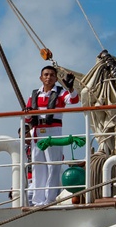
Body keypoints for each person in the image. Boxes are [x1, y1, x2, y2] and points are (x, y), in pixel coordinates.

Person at [24, 65, 80, 205]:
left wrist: (71, 88)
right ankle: (38, 200)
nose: (48, 77)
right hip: (37, 132)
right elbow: (27, 116)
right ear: (41, 77)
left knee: (53, 166)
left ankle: (49, 199)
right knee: (38, 165)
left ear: (56, 78)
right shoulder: (34, 94)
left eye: (51, 75)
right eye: (46, 74)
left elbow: (74, 100)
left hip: (53, 131)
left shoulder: (61, 93)